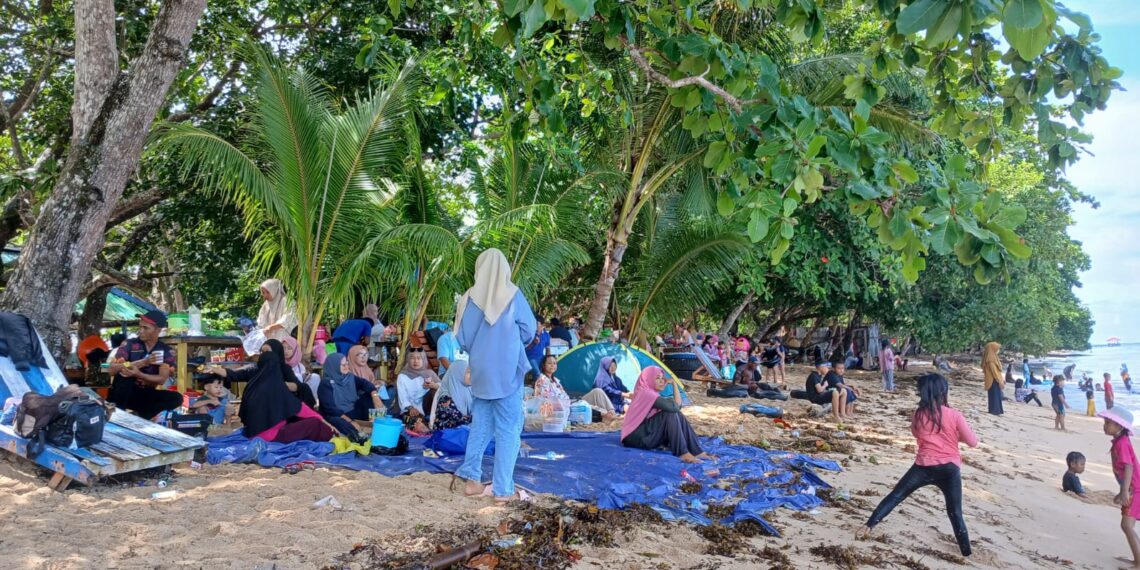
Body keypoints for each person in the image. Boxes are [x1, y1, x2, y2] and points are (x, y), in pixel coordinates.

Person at [858, 373, 976, 557]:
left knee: (897, 495)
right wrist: (953, 435)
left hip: (923, 466)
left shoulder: (919, 414)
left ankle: (868, 526)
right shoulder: (954, 415)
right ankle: (966, 552)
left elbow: (916, 433)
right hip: (949, 469)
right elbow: (973, 442)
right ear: (943, 392)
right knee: (955, 512)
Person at [453, 248, 537, 502]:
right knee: (509, 430)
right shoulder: (512, 294)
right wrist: (508, 341)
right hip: (507, 370)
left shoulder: (468, 298)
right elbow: (529, 330)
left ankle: (472, 480)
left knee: (480, 426)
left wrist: (482, 348)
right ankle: (502, 489)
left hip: (480, 370)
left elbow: (462, 339)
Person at [206, 340, 335, 442]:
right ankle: (333, 437)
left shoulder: (259, 383)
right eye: (262, 351)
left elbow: (298, 387)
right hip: (272, 432)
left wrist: (279, 386)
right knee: (315, 424)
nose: (264, 354)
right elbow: (234, 375)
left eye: (267, 351)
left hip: (258, 428)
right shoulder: (261, 375)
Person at [620, 366, 711, 463]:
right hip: (633, 438)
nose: (661, 381)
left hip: (642, 433)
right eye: (657, 378)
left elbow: (677, 407)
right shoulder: (646, 393)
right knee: (670, 413)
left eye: (662, 378)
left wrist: (674, 384)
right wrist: (674, 385)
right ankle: (683, 453)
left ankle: (696, 451)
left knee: (676, 413)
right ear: (649, 378)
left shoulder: (649, 392)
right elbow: (675, 407)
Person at [108, 310, 183, 421]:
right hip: (122, 393)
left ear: (158, 330)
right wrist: (143, 362)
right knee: (124, 378)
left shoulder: (165, 350)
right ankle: (118, 417)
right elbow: (109, 369)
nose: (141, 331)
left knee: (176, 398)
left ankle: (142, 417)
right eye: (140, 327)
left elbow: (162, 379)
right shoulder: (129, 344)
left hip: (144, 394)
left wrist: (139, 374)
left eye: (146, 328)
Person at [1099, 406, 1140, 569]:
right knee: (1127, 526)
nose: (1105, 425)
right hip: (1132, 488)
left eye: (1108, 422)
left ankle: (1138, 563)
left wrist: (1124, 492)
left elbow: (1128, 467)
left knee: (1127, 526)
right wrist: (1122, 490)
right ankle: (1137, 559)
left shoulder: (1121, 443)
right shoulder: (1119, 441)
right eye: (1105, 422)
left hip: (1135, 490)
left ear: (1120, 426)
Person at [317, 353, 383, 442]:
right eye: (343, 365)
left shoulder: (349, 377)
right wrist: (350, 422)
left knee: (368, 396)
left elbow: (366, 384)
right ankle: (359, 436)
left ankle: (374, 422)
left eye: (347, 363)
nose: (346, 366)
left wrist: (375, 396)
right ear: (334, 366)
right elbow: (330, 409)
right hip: (338, 415)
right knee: (344, 425)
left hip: (352, 411)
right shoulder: (326, 384)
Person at [396, 348, 441, 416]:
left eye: (419, 358)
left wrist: (434, 385)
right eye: (412, 358)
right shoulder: (402, 376)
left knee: (434, 391)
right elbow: (403, 397)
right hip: (410, 409)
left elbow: (443, 388)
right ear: (408, 360)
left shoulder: (429, 373)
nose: (415, 361)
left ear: (423, 360)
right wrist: (410, 408)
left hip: (429, 408)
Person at [431, 359, 473, 430]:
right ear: (458, 374)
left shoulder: (469, 390)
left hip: (464, 434)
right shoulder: (445, 398)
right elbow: (457, 422)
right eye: (468, 372)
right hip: (448, 437)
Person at [981, 342, 1004, 416]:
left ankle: (995, 410)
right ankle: (995, 411)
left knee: (995, 395)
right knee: (995, 396)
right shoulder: (991, 360)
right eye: (997, 348)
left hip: (994, 380)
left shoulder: (993, 357)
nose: (998, 350)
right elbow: (994, 373)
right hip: (993, 380)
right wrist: (999, 381)